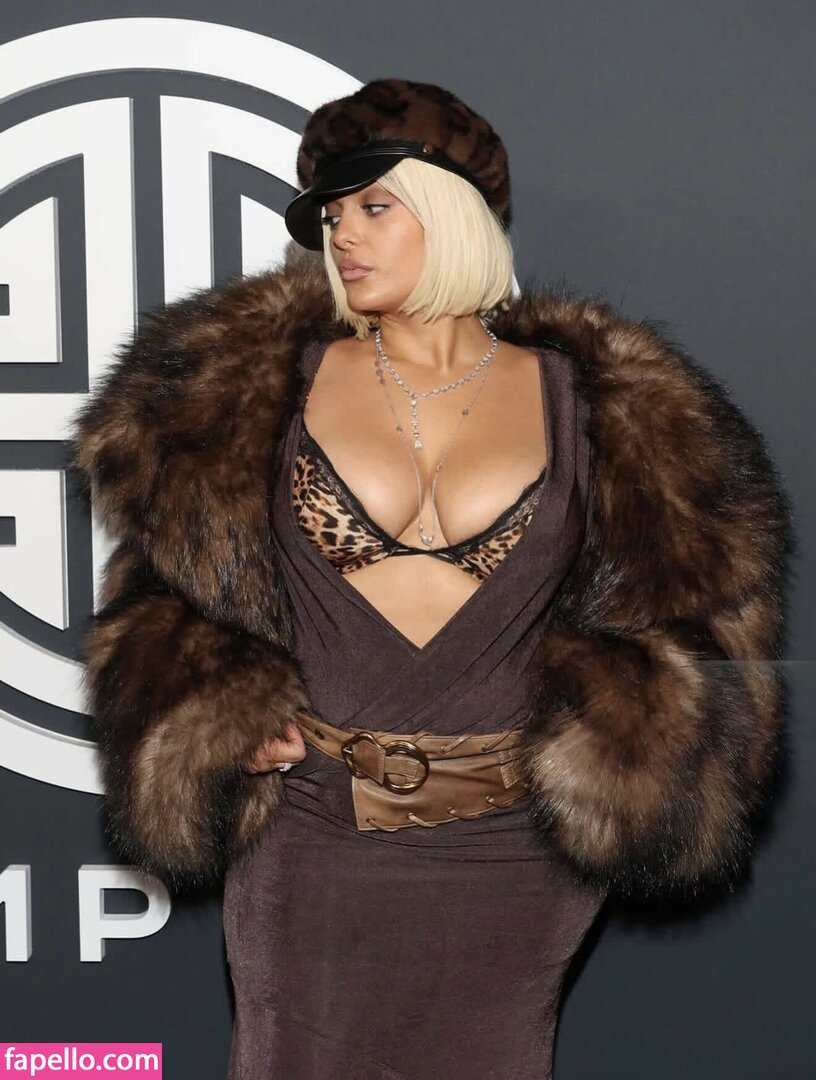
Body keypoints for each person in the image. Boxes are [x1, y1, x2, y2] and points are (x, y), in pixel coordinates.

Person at [68, 78, 793, 1080]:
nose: (345, 236)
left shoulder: (606, 407)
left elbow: (707, 624)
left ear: (455, 214)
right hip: (311, 836)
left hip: (515, 854)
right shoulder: (238, 397)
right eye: (331, 215)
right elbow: (155, 608)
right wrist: (214, 710)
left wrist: (628, 739)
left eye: (375, 206)